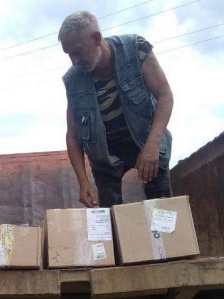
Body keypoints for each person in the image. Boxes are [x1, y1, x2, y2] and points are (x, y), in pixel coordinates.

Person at [59, 10, 174, 208]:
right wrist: (83, 182)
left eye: (77, 52)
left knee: (162, 210)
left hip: (145, 141)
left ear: (96, 38)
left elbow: (165, 95)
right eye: (70, 55)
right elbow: (72, 136)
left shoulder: (136, 49)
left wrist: (152, 145)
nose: (74, 61)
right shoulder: (73, 80)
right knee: (111, 220)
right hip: (106, 156)